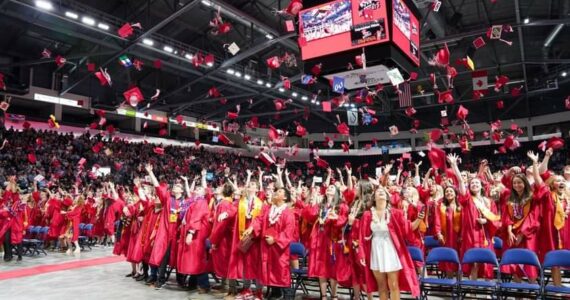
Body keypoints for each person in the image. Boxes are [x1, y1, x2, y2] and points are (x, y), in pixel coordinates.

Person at [359, 186, 420, 300]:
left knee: (393, 284)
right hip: (375, 250)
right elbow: (362, 236)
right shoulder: (367, 215)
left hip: (390, 249)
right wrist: (362, 254)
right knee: (381, 286)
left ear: (387, 198)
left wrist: (419, 218)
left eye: (383, 192)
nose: (381, 192)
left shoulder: (396, 213)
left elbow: (407, 229)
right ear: (374, 197)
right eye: (378, 192)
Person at [448, 153, 500, 280]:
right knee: (474, 264)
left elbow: (496, 220)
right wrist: (454, 165)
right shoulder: (467, 200)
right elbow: (460, 181)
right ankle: (472, 292)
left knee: (487, 263)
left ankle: (488, 290)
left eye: (477, 183)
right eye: (472, 184)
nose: (475, 184)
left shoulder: (489, 202)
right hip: (471, 235)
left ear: (482, 186)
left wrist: (486, 221)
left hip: (485, 236)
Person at [244, 187, 295, 300]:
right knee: (269, 270)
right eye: (276, 191)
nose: (276, 192)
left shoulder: (288, 213)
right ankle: (274, 294)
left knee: (280, 271)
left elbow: (289, 231)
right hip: (266, 247)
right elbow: (259, 220)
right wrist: (252, 227)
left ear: (285, 197)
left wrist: (275, 239)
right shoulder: (267, 209)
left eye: (280, 191)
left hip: (279, 249)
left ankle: (288, 296)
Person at [303, 184, 348, 300]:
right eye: (328, 188)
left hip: (332, 240)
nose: (329, 188)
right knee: (321, 268)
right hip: (319, 239)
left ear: (337, 192)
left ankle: (334, 296)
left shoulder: (341, 206)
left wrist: (336, 218)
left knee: (333, 269)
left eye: (332, 188)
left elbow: (343, 222)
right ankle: (323, 296)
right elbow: (310, 216)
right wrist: (312, 201)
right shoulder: (320, 206)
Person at [528, 151, 566, 286]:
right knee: (555, 260)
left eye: (563, 180)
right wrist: (538, 161)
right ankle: (557, 286)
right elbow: (538, 179)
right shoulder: (547, 194)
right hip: (551, 231)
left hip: (565, 231)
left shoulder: (567, 197)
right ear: (551, 183)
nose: (561, 182)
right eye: (558, 181)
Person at [226, 171, 264, 300]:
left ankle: (259, 291)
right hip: (243, 236)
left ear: (257, 189)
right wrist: (225, 214)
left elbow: (262, 219)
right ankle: (246, 289)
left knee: (257, 263)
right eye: (249, 185)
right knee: (245, 263)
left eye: (253, 185)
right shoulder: (241, 202)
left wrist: (254, 227)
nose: (250, 187)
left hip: (255, 238)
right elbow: (231, 210)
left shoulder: (261, 203)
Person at [209, 183, 237, 293]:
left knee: (227, 263)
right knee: (228, 262)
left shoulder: (223, 204)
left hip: (223, 238)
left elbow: (221, 225)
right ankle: (225, 285)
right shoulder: (230, 203)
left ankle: (230, 289)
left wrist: (215, 241)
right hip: (228, 237)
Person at [434, 186, 462, 277]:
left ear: (455, 193)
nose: (449, 193)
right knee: (448, 260)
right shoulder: (441, 207)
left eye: (451, 191)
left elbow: (464, 222)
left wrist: (462, 235)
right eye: (446, 192)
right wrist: (438, 233)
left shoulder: (460, 207)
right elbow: (437, 220)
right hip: (446, 237)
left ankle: (459, 284)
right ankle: (450, 282)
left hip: (458, 238)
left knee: (459, 259)